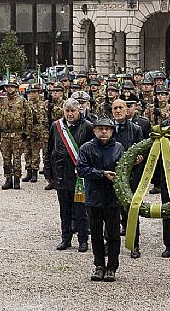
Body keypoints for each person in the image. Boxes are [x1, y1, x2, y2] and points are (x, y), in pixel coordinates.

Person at [77, 117, 124, 282]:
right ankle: (99, 265)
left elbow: (124, 170)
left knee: (113, 235)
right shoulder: (86, 148)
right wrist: (101, 174)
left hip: (112, 198)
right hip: (94, 197)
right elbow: (81, 169)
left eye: (107, 129)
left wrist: (137, 164)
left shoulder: (118, 148)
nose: (104, 132)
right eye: (100, 129)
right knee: (96, 234)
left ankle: (112, 267)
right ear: (95, 130)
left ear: (112, 131)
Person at [47, 98, 92, 252]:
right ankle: (66, 239)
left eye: (73, 111)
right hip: (61, 174)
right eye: (67, 111)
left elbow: (91, 152)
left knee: (80, 209)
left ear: (79, 110)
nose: (70, 114)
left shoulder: (87, 127)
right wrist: (48, 171)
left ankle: (83, 239)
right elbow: (49, 150)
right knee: (64, 209)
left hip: (79, 177)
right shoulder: (56, 126)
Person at [0, 80, 30, 190]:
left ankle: (17, 180)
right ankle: (8, 179)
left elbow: (29, 117)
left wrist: (27, 132)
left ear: (16, 88)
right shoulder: (1, 101)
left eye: (12, 87)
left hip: (17, 133)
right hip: (4, 134)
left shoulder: (22, 101)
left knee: (17, 158)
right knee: (6, 158)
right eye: (8, 87)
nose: (9, 89)